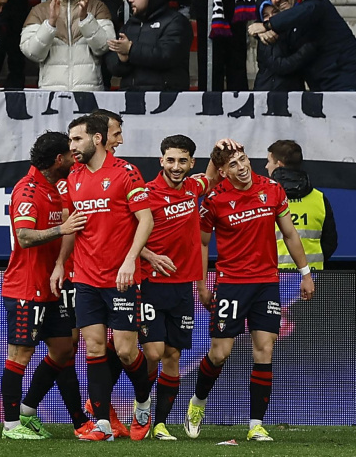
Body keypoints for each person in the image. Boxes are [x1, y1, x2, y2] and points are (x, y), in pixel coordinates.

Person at [184, 141, 315, 442]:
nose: (242, 167)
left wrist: (305, 273)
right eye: (233, 164)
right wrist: (202, 283)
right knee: (220, 353)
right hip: (230, 283)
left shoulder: (271, 189)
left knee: (265, 350)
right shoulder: (215, 200)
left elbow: (290, 233)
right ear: (222, 171)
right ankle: (197, 403)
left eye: (243, 160)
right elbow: (202, 243)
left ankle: (256, 424)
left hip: (267, 282)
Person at [51, 114, 154, 441]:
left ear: (97, 139)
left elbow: (146, 220)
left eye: (77, 140)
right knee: (94, 349)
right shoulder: (73, 178)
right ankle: (103, 425)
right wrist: (59, 264)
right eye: (70, 141)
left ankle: (142, 401)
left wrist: (129, 261)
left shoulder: (125, 172)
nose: (72, 147)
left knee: (125, 351)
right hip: (85, 278)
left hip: (121, 279)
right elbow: (71, 226)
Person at [0, 131, 93, 439]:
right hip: (26, 287)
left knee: (64, 349)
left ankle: (27, 411)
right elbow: (24, 237)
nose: (73, 157)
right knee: (20, 353)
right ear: (58, 159)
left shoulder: (52, 187)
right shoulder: (27, 191)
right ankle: (11, 426)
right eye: (70, 154)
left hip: (50, 287)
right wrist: (62, 228)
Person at [137, 134, 218, 440]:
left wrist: (218, 150)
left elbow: (211, 176)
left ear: (191, 163)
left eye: (182, 160)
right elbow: (127, 235)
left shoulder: (194, 188)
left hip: (182, 286)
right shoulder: (145, 193)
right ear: (161, 161)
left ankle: (159, 423)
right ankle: (142, 403)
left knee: (173, 356)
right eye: (170, 160)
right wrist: (149, 255)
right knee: (154, 353)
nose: (175, 166)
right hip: (149, 283)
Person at [248, 0, 356, 91]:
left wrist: (267, 25)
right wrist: (261, 31)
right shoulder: (290, 20)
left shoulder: (315, 2)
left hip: (346, 81)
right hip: (323, 86)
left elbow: (302, 13)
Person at [20, 0, 116, 91]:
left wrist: (85, 18)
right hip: (51, 96)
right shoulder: (40, 10)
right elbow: (33, 52)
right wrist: (51, 22)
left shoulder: (97, 7)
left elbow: (103, 47)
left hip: (89, 94)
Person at [105, 0, 193, 91]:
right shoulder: (130, 25)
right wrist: (122, 60)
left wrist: (131, 50)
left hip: (166, 99)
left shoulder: (176, 22)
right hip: (130, 99)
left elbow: (167, 56)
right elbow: (114, 67)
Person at [265, 140, 337, 270]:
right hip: (312, 278)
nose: (266, 166)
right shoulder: (319, 198)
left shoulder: (265, 199)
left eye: (269, 162)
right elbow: (330, 242)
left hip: (272, 279)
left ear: (279, 165)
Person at [183, 0, 255, 91]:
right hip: (208, 17)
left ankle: (239, 107)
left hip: (236, 16)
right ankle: (209, 108)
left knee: (237, 68)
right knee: (210, 68)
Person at [252, 0, 314, 91]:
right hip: (270, 94)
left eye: (275, 12)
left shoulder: (290, 32)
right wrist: (307, 50)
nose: (271, 18)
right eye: (265, 15)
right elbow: (279, 66)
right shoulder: (266, 37)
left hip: (289, 93)